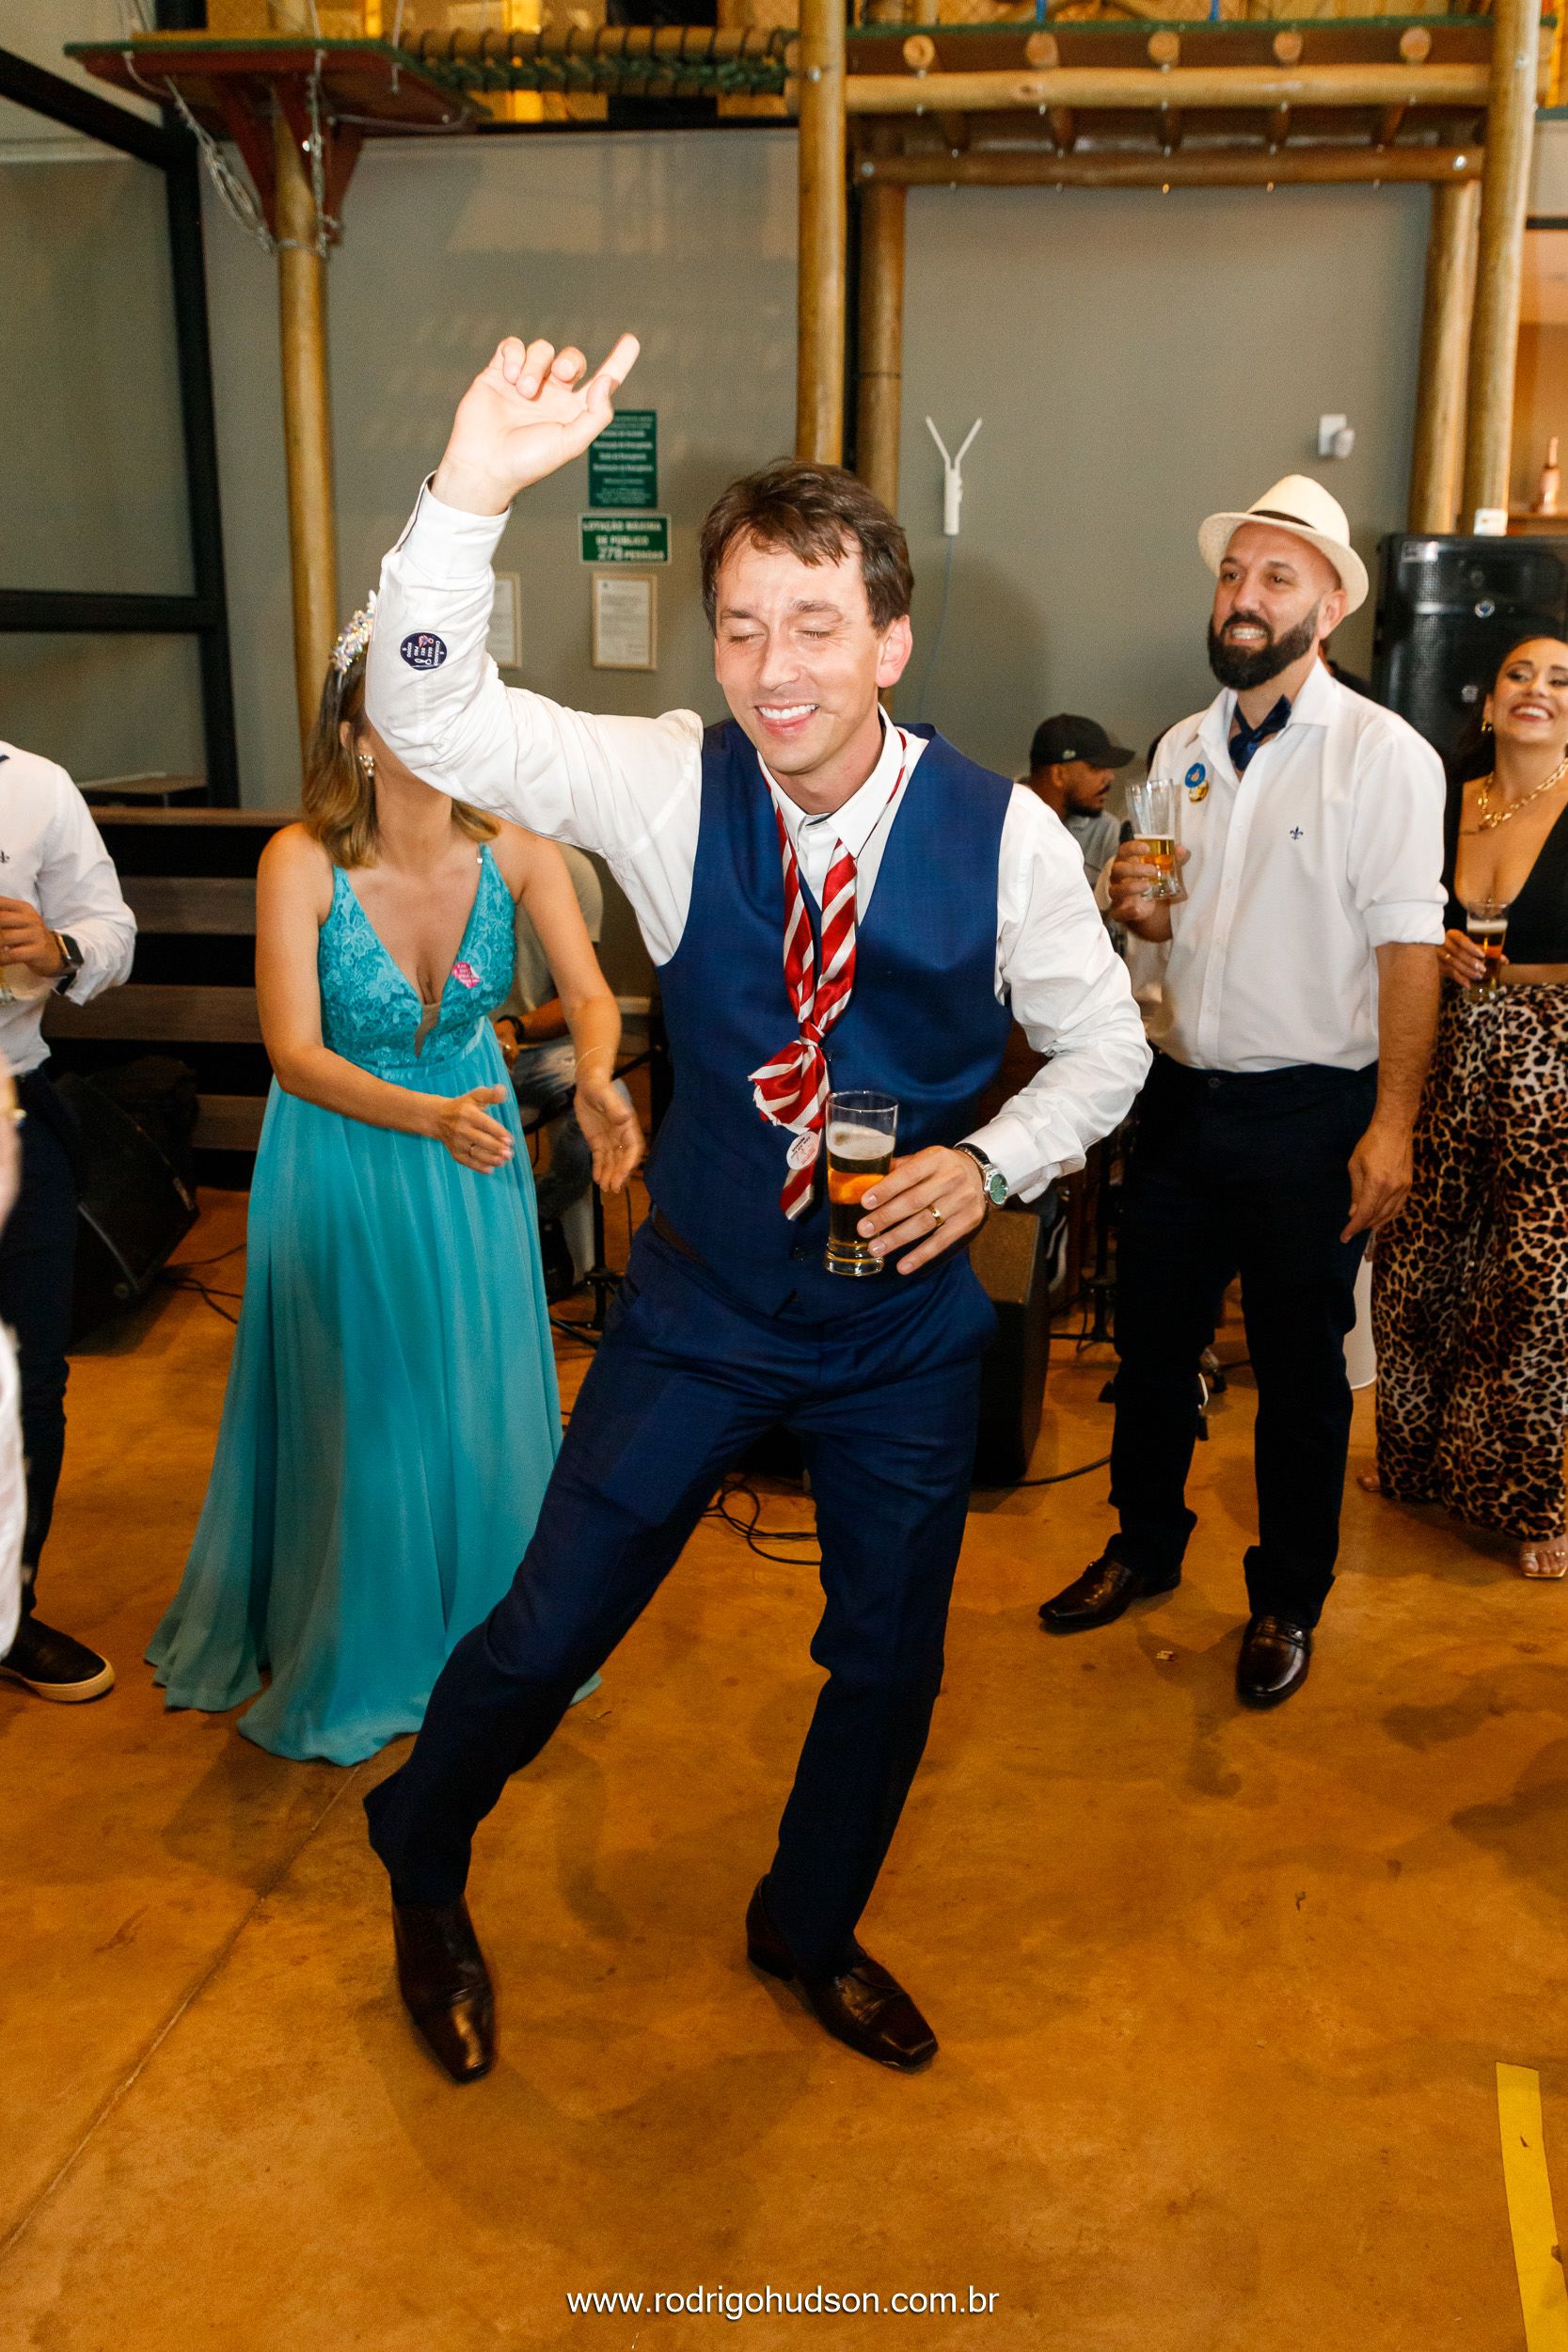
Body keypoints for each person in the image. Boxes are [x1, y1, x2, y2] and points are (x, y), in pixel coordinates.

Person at [359, 327, 1150, 2085]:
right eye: (740, 627)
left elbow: (1104, 1052)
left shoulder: (1007, 837)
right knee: (550, 1627)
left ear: (888, 639)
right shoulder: (664, 778)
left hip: (895, 1333)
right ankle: (419, 1842)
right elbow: (426, 709)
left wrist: (993, 1161)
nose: (771, 671)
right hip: (704, 1304)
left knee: (884, 1667)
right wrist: (469, 493)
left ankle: (805, 1921)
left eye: (812, 626)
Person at [148, 608, 641, 1765]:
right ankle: (354, 1633)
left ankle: (484, 1634)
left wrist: (597, 1079)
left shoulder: (516, 847)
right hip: (348, 1151)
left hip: (468, 1160)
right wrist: (429, 1115)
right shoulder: (298, 860)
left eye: (456, 702)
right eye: (408, 709)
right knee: (361, 1402)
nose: (438, 729)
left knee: (468, 1386)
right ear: (357, 732)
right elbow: (294, 1053)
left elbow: (593, 991)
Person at [1038, 475, 1446, 1708]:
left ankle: (1285, 1596)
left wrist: (1388, 1126)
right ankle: (1143, 1548)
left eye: (1274, 577)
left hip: (1307, 1114)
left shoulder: (1382, 759)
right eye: (1231, 575)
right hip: (1178, 1100)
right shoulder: (1176, 749)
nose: (1243, 596)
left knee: (1299, 1368)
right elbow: (1154, 895)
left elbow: (1406, 953)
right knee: (1152, 1349)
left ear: (1324, 604)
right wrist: (1137, 908)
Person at [1370, 634, 1568, 1581]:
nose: (1537, 690)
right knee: (1418, 1268)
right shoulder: (1441, 796)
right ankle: (1412, 1466)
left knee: (1533, 1290)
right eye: (1518, 675)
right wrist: (1440, 948)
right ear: (1487, 704)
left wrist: (1519, 972)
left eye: (1560, 680)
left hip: (1553, 1067)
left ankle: (1538, 1502)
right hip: (1443, 1050)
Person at [0, 742, 135, 1705]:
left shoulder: (36, 785)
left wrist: (61, 950)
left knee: (27, 1376)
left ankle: (7, 1607)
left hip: (13, 1098)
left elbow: (110, 926)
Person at [493, 840, 605, 1232]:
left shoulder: (570, 870)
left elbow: (580, 998)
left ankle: (537, 1214)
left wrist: (515, 1028)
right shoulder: (453, 859)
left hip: (536, 1051)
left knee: (609, 1100)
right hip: (460, 1054)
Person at [1023, 714, 1133, 894]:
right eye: (1096, 767)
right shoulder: (1003, 819)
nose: (1110, 777)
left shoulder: (1105, 830)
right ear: (1058, 775)